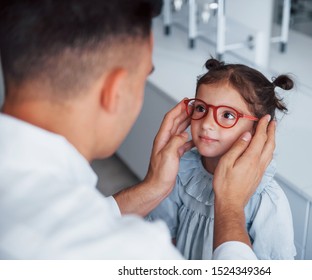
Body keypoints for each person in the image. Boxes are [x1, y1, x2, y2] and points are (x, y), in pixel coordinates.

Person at [0, 0, 276, 259]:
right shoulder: (132, 252)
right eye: (144, 76)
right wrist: (230, 207)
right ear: (115, 91)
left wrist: (153, 187)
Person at [147, 58, 296, 260]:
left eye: (227, 114)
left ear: (259, 129)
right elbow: (164, 237)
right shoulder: (180, 170)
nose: (207, 123)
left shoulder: (266, 199)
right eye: (201, 108)